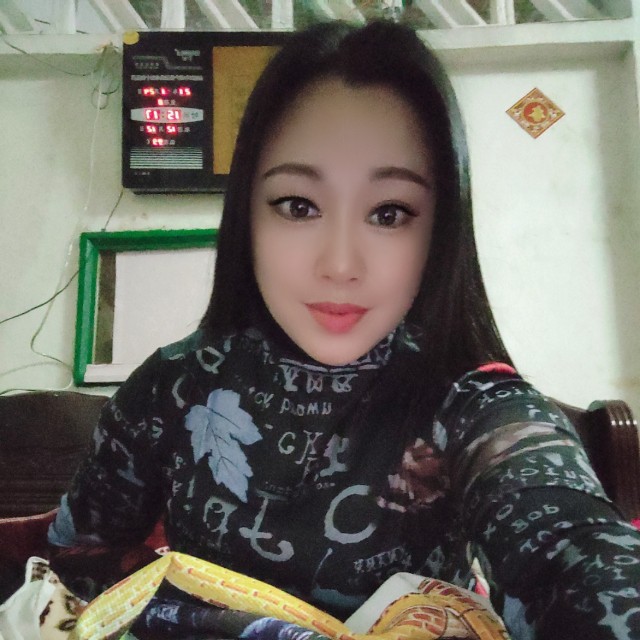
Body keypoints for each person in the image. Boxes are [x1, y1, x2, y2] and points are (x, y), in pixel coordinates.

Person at [46, 19, 640, 639]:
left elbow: (573, 546)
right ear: (247, 214)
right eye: (298, 206)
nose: (339, 265)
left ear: (438, 231)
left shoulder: (469, 403)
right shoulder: (171, 386)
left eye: (390, 213)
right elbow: (75, 562)